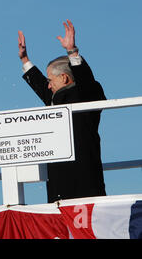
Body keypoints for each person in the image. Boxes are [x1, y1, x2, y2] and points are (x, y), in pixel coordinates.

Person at [17, 19, 106, 203]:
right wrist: (25, 60)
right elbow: (43, 87)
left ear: (64, 78)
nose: (48, 86)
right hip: (58, 184)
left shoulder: (86, 95)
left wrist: (72, 52)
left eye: (51, 80)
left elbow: (86, 81)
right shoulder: (55, 100)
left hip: (85, 181)